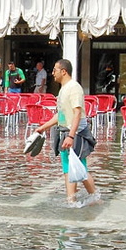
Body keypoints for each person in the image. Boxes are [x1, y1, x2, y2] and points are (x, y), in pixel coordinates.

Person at [34, 59, 99, 206]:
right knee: (68, 168)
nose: (52, 73)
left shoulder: (74, 88)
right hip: (64, 132)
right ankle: (71, 200)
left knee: (80, 169)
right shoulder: (63, 89)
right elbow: (61, 114)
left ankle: (96, 198)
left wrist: (71, 135)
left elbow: (77, 113)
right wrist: (44, 127)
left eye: (55, 70)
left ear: (64, 71)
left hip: (76, 133)